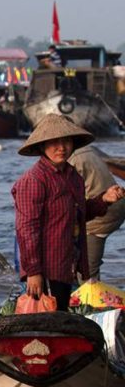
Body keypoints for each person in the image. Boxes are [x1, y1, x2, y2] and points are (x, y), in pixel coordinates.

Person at [13, 113, 125, 310]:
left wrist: (104, 200)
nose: (61, 147)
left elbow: (78, 214)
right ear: (42, 146)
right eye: (54, 142)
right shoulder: (34, 180)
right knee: (47, 320)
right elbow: (27, 229)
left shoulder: (72, 176)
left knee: (63, 315)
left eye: (66, 141)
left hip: (68, 262)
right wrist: (33, 272)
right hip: (46, 268)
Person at [68, 142, 125, 280]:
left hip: (102, 214)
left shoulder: (69, 160)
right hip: (115, 204)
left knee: (87, 271)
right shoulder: (87, 148)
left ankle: (90, 297)